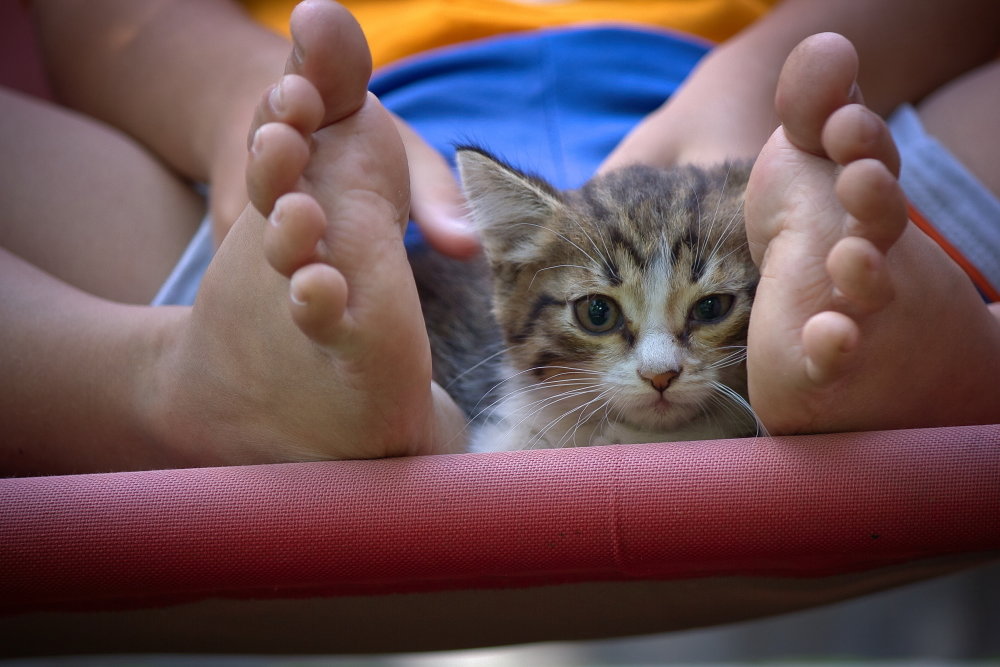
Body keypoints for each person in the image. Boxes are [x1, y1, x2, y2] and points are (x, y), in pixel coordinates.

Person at [1, 0, 997, 475]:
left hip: (764, 169)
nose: (656, 367)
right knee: (284, 239)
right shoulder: (313, 184)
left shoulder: (790, 168)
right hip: (357, 181)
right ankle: (165, 373)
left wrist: (765, 88)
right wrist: (253, 123)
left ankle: (167, 380)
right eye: (611, 324)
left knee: (852, 206)